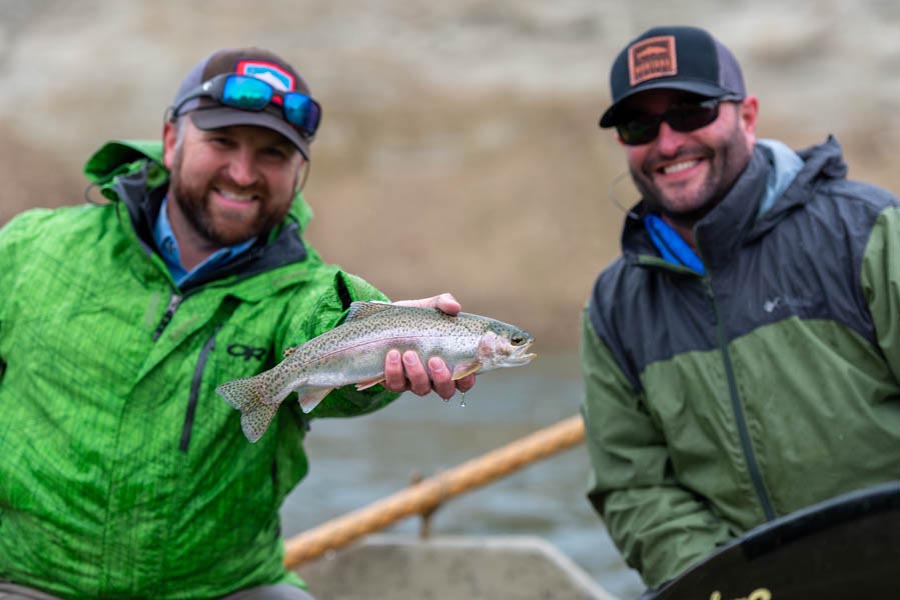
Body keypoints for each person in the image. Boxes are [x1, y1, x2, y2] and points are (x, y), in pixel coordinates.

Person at [0, 47, 476, 599]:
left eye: (272, 153)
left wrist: (393, 330)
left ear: (299, 172)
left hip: (224, 588)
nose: (243, 173)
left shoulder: (304, 291)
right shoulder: (27, 248)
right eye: (222, 142)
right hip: (24, 581)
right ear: (172, 140)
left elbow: (329, 333)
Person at [580, 25, 900, 595]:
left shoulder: (868, 232)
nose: (669, 141)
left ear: (747, 115)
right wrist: (735, 585)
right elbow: (635, 490)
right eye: (640, 124)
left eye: (691, 111)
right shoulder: (612, 310)